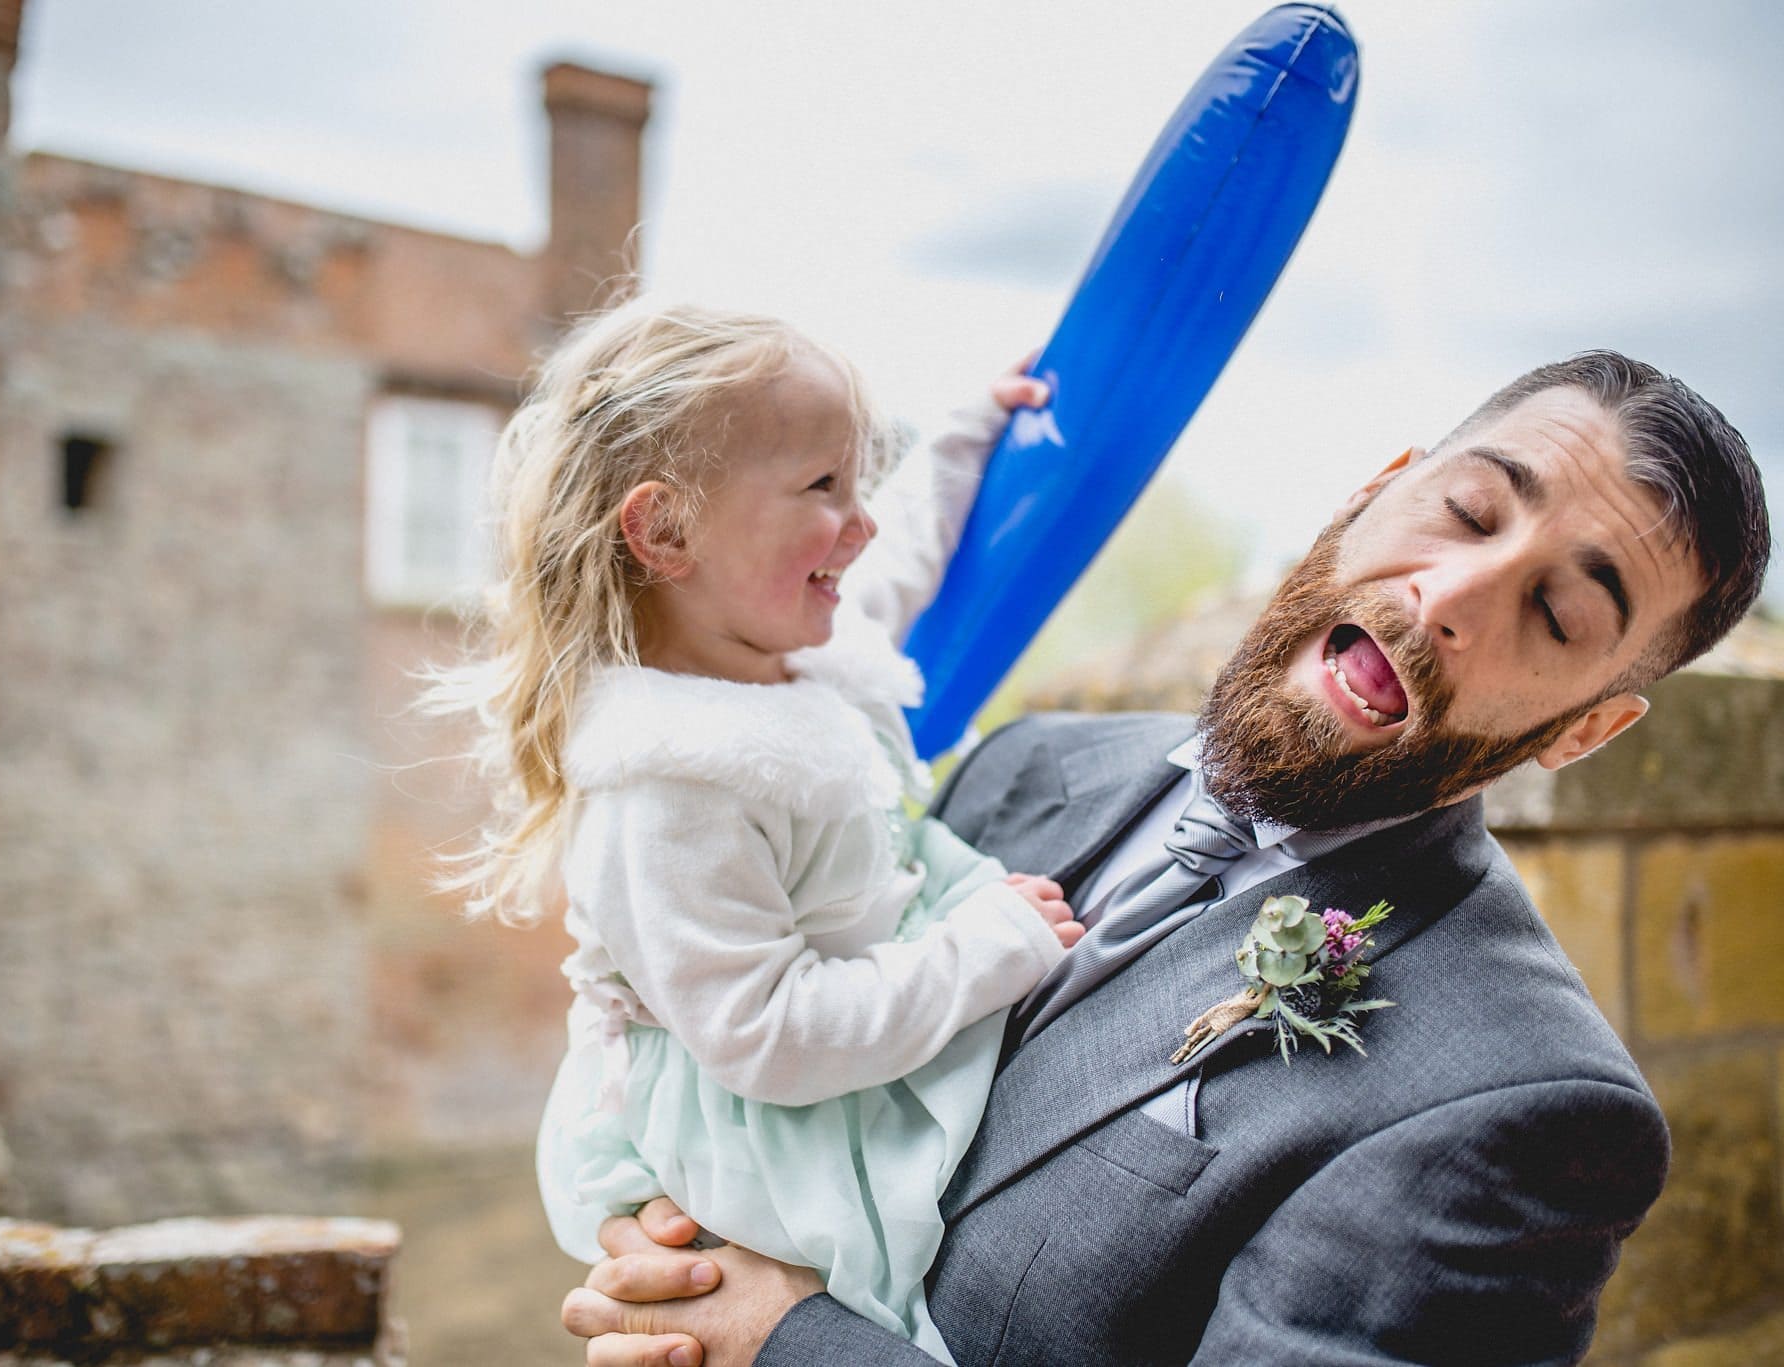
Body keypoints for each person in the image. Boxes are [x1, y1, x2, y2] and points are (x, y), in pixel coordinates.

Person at [561, 350, 1772, 1366]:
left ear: (1585, 729)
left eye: (1559, 615)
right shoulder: (1023, 765)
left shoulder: (1527, 1112)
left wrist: (785, 1339)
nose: (1450, 595)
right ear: (1371, 491)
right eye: (1462, 512)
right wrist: (666, 1252)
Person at [438, 298, 1090, 1362]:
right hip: (767, 1129)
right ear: (665, 530)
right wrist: (976, 956)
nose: (860, 517)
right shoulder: (669, 791)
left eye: (858, 476)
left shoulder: (780, 641)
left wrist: (971, 433)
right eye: (821, 486)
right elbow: (767, 1034)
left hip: (835, 1035)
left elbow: (900, 564)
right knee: (880, 1304)